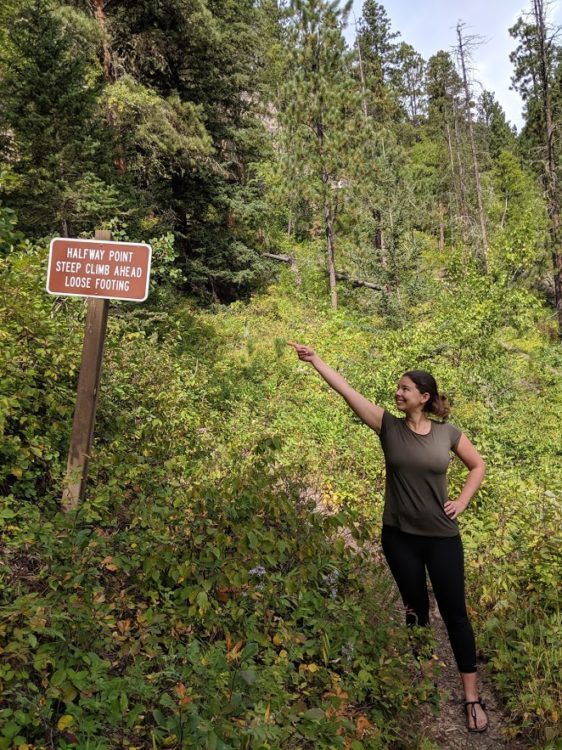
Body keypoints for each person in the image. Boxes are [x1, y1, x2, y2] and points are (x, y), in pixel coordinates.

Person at [287, 341, 488, 733]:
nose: (397, 393)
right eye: (398, 388)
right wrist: (316, 361)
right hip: (399, 538)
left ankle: (472, 696)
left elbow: (478, 465)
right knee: (415, 612)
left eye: (405, 389)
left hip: (442, 538)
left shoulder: (448, 434)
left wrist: (462, 501)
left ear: (423, 397)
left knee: (456, 616)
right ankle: (421, 682)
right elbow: (347, 390)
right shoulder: (388, 426)